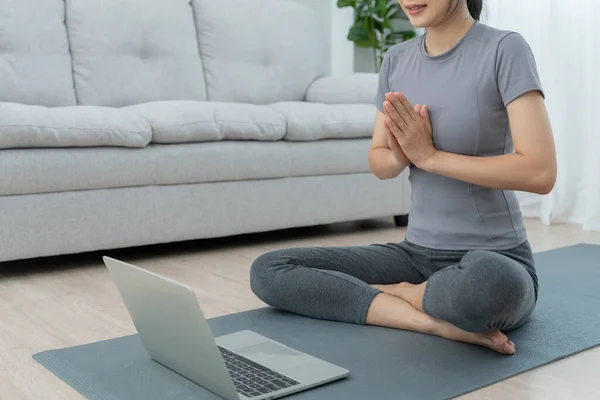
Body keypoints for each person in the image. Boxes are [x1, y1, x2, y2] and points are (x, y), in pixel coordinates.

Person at [250, 0, 557, 355]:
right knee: (270, 269)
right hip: (415, 256)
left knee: (486, 286)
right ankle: (428, 321)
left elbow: (540, 171)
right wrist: (401, 153)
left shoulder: (505, 49)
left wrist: (430, 157)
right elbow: (380, 161)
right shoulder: (396, 59)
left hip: (497, 257)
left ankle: (401, 294)